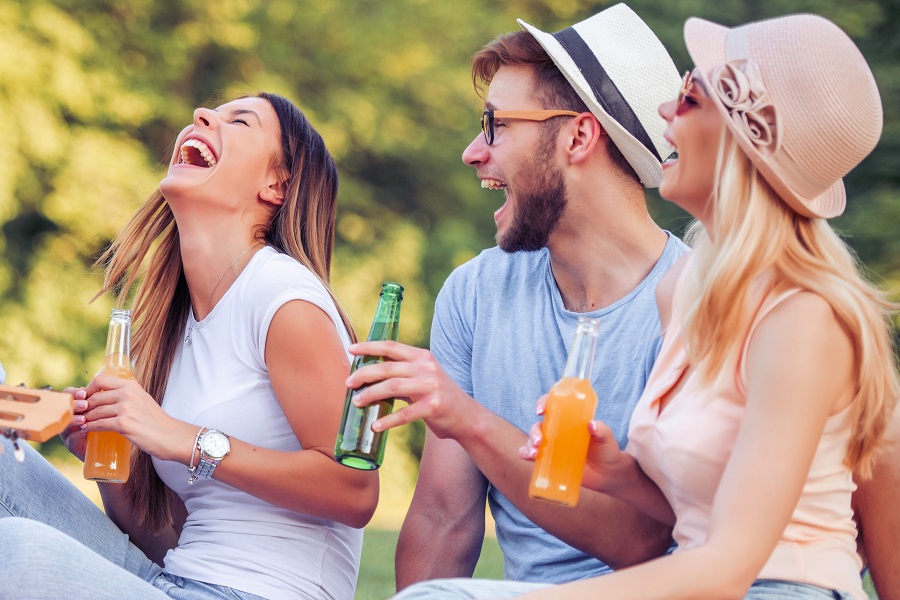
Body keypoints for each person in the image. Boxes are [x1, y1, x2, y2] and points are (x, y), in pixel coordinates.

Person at [347, 6, 900, 600]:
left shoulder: (803, 315)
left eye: (688, 98)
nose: (664, 109)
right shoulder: (689, 293)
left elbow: (731, 557)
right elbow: (682, 511)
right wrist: (617, 474)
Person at [347, 4, 686, 597]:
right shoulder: (476, 292)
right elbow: (441, 517)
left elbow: (651, 544)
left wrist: (468, 420)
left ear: (578, 136)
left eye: (496, 125)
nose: (472, 153)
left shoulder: (702, 300)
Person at [0, 92, 378, 600]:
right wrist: (107, 460)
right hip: (177, 581)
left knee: (16, 551)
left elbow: (355, 491)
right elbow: (166, 543)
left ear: (277, 184)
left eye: (238, 121)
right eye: (209, 113)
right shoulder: (178, 322)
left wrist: (182, 437)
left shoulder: (285, 299)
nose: (200, 117)